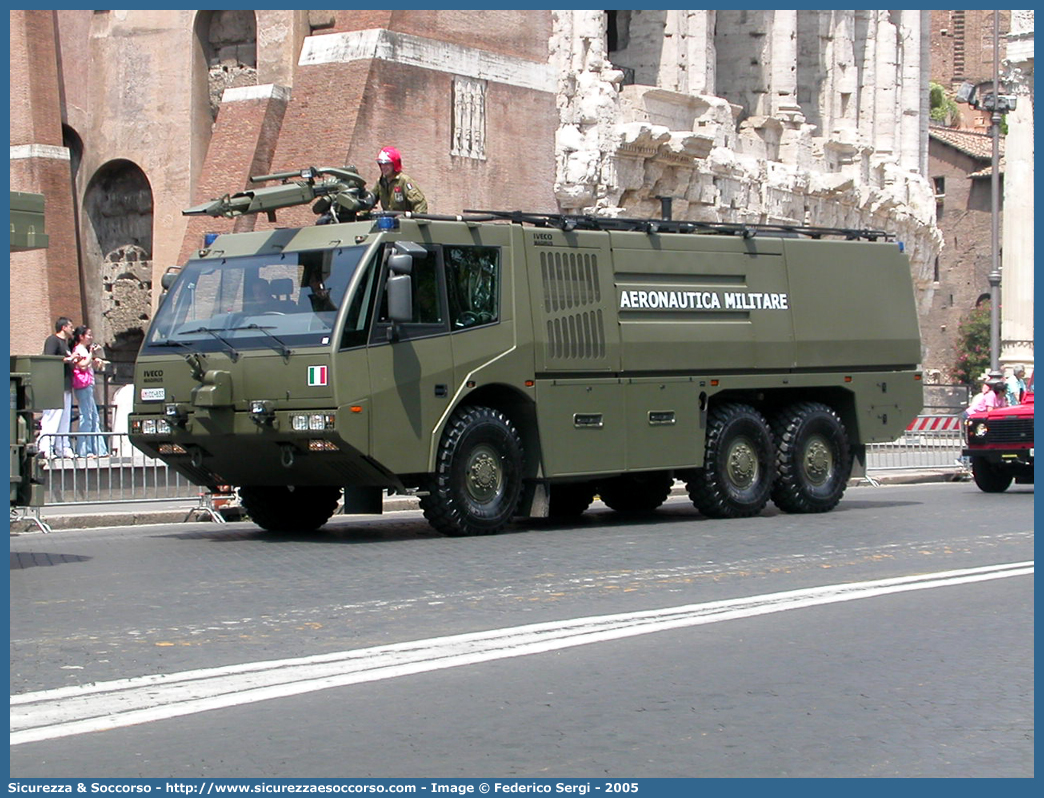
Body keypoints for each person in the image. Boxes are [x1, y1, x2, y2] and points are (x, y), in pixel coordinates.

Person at [38, 316, 76, 459]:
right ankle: (46, 446)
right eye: (70, 327)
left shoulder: (65, 344)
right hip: (55, 384)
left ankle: (62, 446)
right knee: (52, 416)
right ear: (64, 327)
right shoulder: (52, 340)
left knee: (65, 417)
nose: (72, 330)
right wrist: (67, 359)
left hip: (65, 384)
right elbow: (49, 358)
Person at [70, 325, 109, 458]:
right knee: (86, 417)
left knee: (94, 418)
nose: (91, 337)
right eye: (88, 335)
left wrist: (94, 359)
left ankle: (100, 450)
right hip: (83, 386)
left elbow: (87, 363)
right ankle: (84, 450)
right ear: (81, 337)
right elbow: (82, 365)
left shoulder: (84, 350)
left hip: (88, 385)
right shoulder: (78, 349)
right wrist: (91, 353)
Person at [374, 146, 427, 213]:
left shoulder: (404, 181)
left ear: (394, 164)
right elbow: (370, 200)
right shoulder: (380, 182)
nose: (383, 167)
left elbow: (419, 203)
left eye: (387, 164)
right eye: (381, 164)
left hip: (403, 221)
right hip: (387, 220)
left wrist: (418, 221)